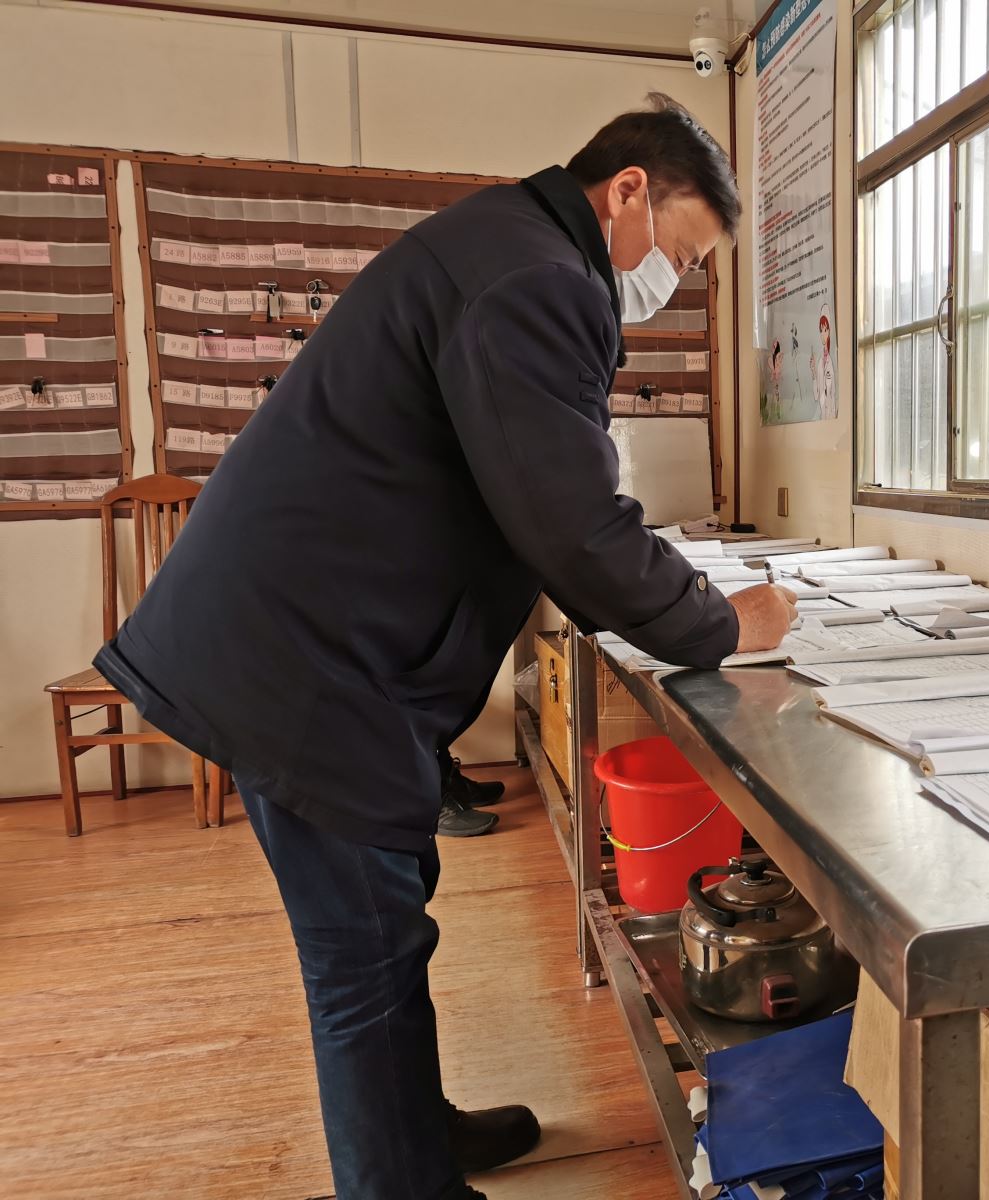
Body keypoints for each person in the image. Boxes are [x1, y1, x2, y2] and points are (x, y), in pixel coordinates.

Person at [93, 94, 796, 1200]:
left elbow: (541, 493)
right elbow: (572, 523)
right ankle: (400, 1179)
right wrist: (720, 621)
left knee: (389, 913)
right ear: (627, 192)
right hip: (307, 662)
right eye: (684, 252)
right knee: (363, 950)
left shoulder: (510, 249)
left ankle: (413, 1131)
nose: (676, 281)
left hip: (316, 643)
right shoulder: (537, 280)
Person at [809, 312, 835, 421]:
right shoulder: (820, 362)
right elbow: (816, 395)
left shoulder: (831, 362)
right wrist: (813, 371)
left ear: (829, 331)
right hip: (822, 417)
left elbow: (831, 393)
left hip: (830, 415)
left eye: (825, 330)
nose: (822, 334)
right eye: (821, 330)